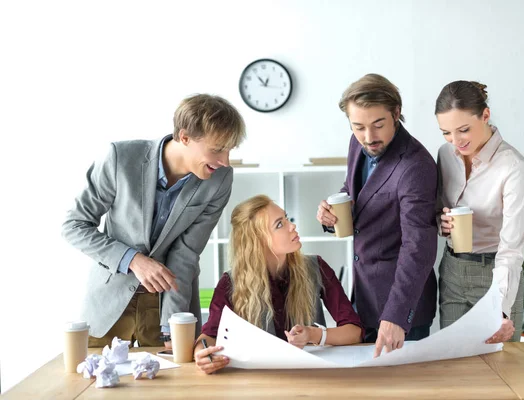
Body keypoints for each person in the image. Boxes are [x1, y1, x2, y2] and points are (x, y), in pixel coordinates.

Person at [62, 94, 246, 348]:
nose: (225, 161)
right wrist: (133, 260)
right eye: (216, 150)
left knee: (175, 386)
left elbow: (187, 252)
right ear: (184, 137)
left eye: (229, 150)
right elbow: (75, 225)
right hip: (108, 304)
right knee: (93, 384)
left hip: (167, 304)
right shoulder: (120, 158)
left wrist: (173, 324)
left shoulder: (220, 179)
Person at [316, 74, 438, 358]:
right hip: (364, 298)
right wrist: (332, 213)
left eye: (378, 125)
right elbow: (356, 190)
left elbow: (418, 247)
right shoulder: (356, 144)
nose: (368, 137)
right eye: (358, 126)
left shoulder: (415, 166)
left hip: (402, 309)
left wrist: (396, 315)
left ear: (396, 113)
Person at [194, 195, 363, 374]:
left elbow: (355, 332)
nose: (292, 226)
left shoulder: (316, 267)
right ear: (258, 241)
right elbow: (209, 336)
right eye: (279, 224)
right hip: (259, 383)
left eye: (286, 218)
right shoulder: (231, 282)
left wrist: (314, 335)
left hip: (311, 379)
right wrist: (201, 355)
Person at [435, 80, 524, 343]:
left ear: (485, 116)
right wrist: (441, 222)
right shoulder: (445, 155)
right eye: (446, 132)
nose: (455, 142)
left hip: (494, 272)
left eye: (463, 130)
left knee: (500, 370)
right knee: (454, 364)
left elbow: (512, 246)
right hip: (452, 270)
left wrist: (500, 307)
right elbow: (436, 208)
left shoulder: (512, 166)